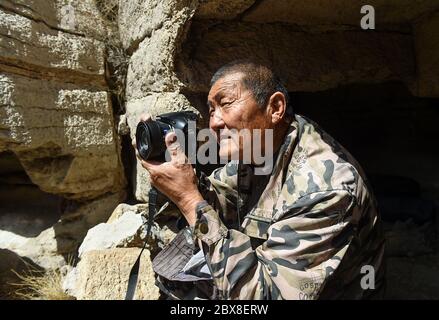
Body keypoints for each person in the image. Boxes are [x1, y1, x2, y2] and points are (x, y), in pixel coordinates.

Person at [133, 60, 385, 300]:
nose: (215, 123)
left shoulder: (324, 189)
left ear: (275, 108)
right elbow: (220, 200)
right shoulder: (260, 149)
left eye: (226, 104)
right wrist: (175, 174)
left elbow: (262, 299)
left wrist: (189, 200)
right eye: (211, 110)